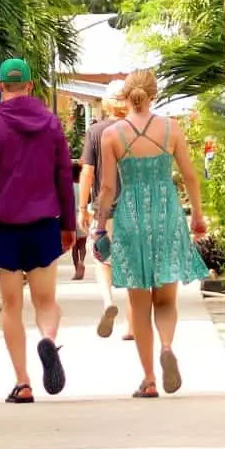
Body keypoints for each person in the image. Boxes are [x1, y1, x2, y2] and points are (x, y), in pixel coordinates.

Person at [0, 58, 79, 404]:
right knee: (46, 302)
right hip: (44, 223)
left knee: (11, 307)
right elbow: (63, 176)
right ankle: (47, 337)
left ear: (0, 87)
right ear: (30, 86)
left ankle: (23, 382)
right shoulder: (50, 124)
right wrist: (68, 225)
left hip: (5, 227)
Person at [94, 69, 210, 398]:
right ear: (154, 94)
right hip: (167, 215)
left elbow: (106, 188)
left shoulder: (112, 135)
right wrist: (197, 216)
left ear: (125, 97)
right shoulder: (171, 128)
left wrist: (101, 225)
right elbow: (190, 176)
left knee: (139, 304)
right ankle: (168, 346)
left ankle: (148, 379)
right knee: (166, 299)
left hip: (131, 219)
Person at [79, 78, 133, 340]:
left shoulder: (96, 131)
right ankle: (132, 327)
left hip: (104, 208)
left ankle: (108, 301)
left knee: (102, 257)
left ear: (108, 102)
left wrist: (81, 207)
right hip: (134, 208)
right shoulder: (139, 129)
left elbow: (87, 172)